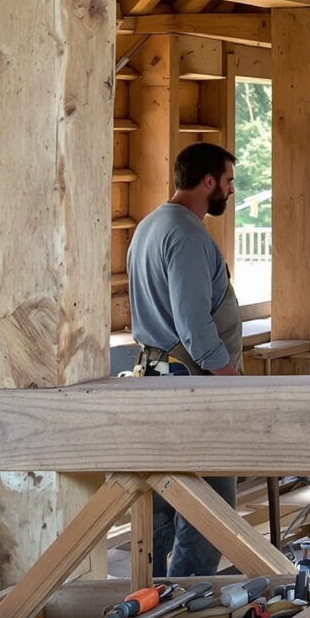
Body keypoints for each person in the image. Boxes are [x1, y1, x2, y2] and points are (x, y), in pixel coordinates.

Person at [125, 141, 242, 577]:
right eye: (227, 182)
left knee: (161, 498)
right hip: (194, 384)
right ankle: (185, 605)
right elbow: (194, 326)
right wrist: (230, 379)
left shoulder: (149, 226)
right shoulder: (188, 235)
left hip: (156, 374)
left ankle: (149, 598)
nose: (230, 191)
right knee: (208, 509)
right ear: (208, 181)